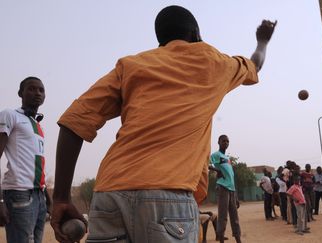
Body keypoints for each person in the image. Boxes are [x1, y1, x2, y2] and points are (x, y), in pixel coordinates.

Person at [50, 5, 276, 243]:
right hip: (169, 196)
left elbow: (74, 121)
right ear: (196, 35)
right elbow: (256, 64)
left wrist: (62, 198)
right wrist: (262, 41)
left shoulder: (131, 66)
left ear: (161, 41)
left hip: (110, 192)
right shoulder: (215, 63)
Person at [0, 77, 48, 243]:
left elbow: (37, 165)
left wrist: (48, 198)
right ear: (20, 93)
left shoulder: (37, 125)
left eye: (41, 90)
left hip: (39, 196)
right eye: (32, 89)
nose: (37, 93)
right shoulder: (9, 115)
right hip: (19, 194)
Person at [210, 135, 241, 243]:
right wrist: (217, 170)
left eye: (227, 141)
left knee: (235, 217)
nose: (226, 143)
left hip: (231, 189)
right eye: (223, 141)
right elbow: (206, 163)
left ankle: (238, 238)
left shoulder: (227, 158)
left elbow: (231, 176)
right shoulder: (216, 155)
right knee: (223, 216)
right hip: (222, 187)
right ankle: (221, 238)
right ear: (218, 142)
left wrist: (236, 196)